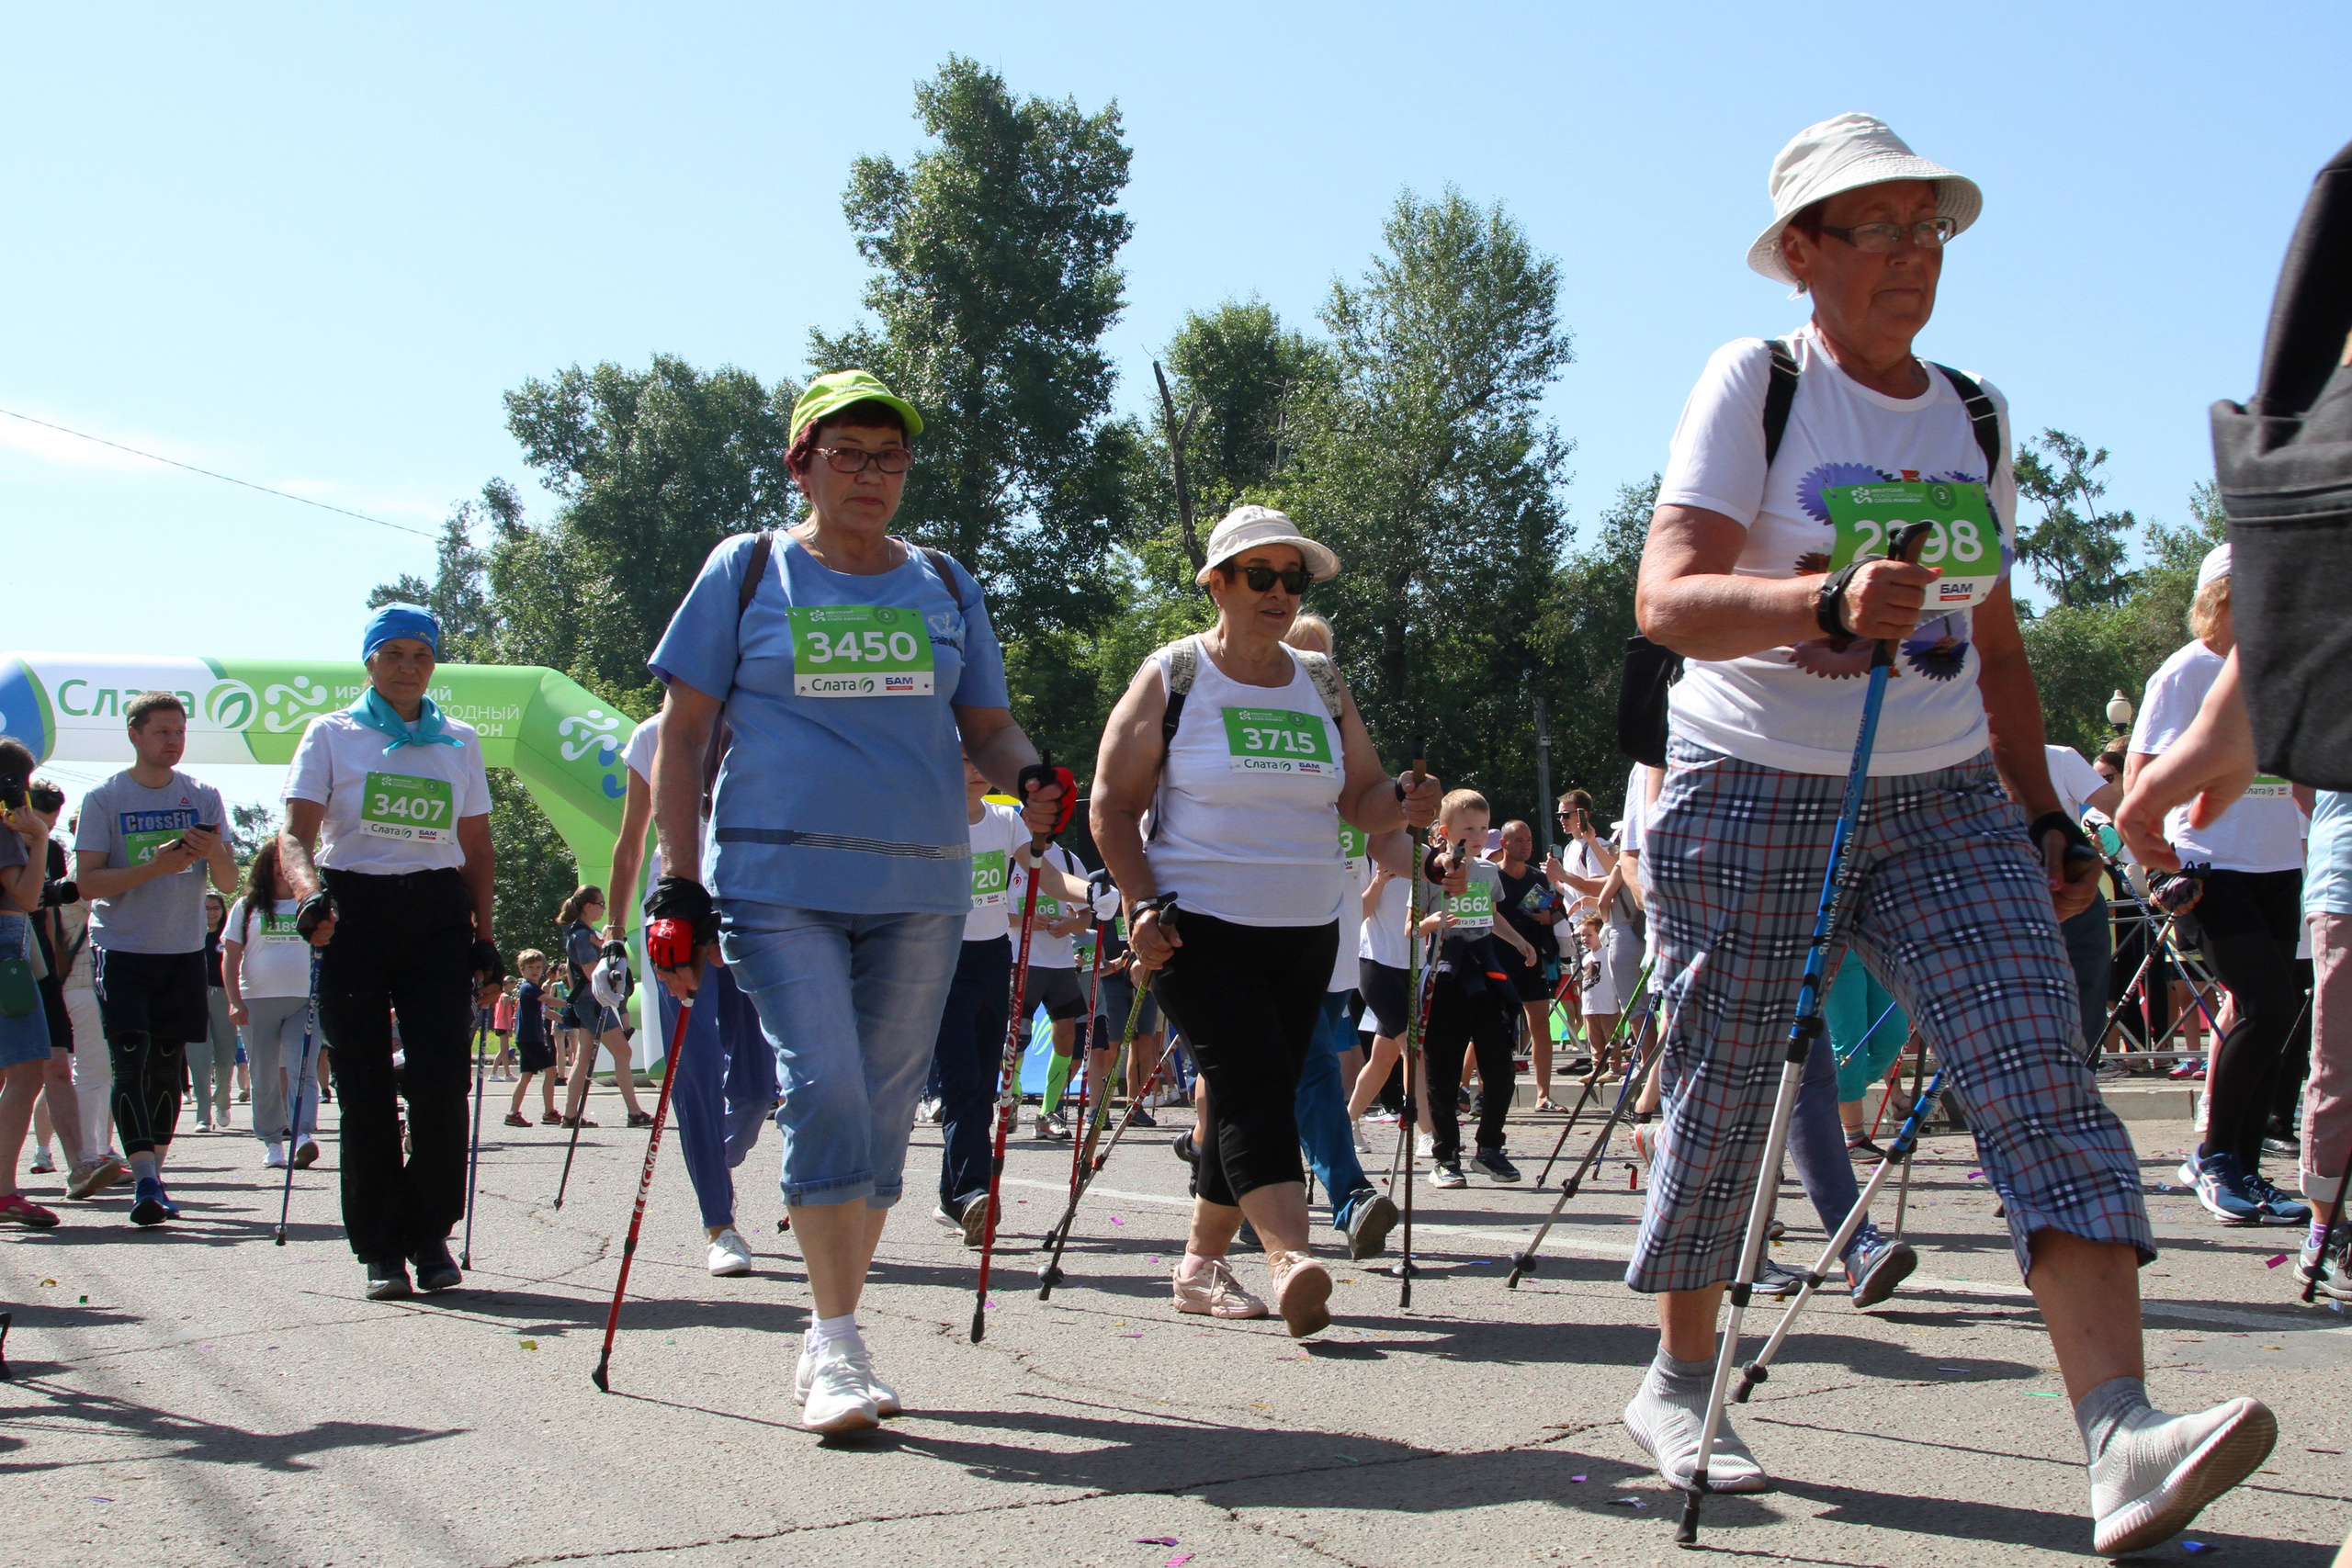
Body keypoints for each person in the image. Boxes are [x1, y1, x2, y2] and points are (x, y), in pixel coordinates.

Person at [1625, 112, 2271, 1555]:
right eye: (1880, 227)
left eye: (1933, 227)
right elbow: (1666, 597)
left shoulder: (1972, 413)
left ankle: (2121, 1433)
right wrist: (1824, 605)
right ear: (1803, 253)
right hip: (1749, 782)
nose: (1917, 254)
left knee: (2036, 1062)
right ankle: (1679, 1376)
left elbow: (1999, 647)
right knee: (1728, 1092)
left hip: (1943, 798)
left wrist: (2046, 808)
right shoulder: (1759, 380)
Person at [643, 368, 1068, 1434]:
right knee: (826, 1084)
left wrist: (1031, 776)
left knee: (880, 1112)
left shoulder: (942, 581)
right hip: (777, 880)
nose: (874, 474)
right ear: (802, 463)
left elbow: (988, 728)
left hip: (920, 883)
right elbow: (683, 738)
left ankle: (834, 1327)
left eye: (891, 456)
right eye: (850, 454)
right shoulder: (748, 572)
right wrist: (676, 879)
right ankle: (836, 1345)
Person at [1090, 503, 1442, 1337]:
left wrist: (1402, 802)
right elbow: (1111, 805)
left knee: (1261, 1082)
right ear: (1216, 583)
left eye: (1294, 578)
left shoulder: (1319, 680)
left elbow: (1361, 797)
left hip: (1306, 928)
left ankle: (1200, 1263)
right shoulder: (1174, 673)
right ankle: (1290, 1254)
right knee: (1252, 1078)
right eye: (1261, 575)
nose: (1280, 592)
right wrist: (1140, 905)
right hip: (1195, 926)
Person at [278, 604, 500, 1300]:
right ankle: (380, 1246)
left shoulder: (459, 740)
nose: (409, 667)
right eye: (395, 653)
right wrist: (310, 893)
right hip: (356, 908)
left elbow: (479, 847)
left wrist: (486, 938)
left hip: (436, 911)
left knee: (441, 1081)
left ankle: (430, 1232)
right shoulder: (332, 735)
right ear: (371, 660)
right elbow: (292, 835)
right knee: (366, 1086)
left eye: (422, 656)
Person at [2128, 545, 2312, 1227]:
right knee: (2265, 1002)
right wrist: (2156, 867)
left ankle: (2247, 1167)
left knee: (2283, 1011)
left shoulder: (2278, 671)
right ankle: (2214, 1157)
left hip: (2279, 863)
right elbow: (2141, 770)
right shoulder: (2185, 671)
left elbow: (2299, 777)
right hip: (2209, 864)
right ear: (2219, 597)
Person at [608, 713, 777, 1277]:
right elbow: (632, 842)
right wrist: (613, 938)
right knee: (696, 1069)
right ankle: (719, 1223)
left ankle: (713, 1158)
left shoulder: (764, 719)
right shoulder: (653, 735)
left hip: (746, 909)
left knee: (757, 1087)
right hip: (677, 918)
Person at [73, 693, 238, 1226]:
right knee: (130, 1060)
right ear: (135, 736)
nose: (173, 741)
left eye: (180, 732)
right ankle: (143, 1176)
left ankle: (154, 1177)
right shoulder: (105, 799)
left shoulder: (204, 796)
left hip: (184, 951)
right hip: (122, 948)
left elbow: (231, 882)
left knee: (167, 1066)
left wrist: (212, 851)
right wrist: (155, 866)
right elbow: (86, 883)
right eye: (162, 731)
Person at [931, 761, 1098, 1244]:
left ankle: (957, 1196)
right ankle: (972, 1192)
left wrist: (1095, 893)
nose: (972, 771)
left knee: (983, 1085)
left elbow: (1044, 875)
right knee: (963, 1082)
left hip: (990, 958)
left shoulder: (1006, 820)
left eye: (979, 761)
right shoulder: (928, 815)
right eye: (959, 760)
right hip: (938, 957)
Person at [1419, 791, 1538, 1188]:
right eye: (1468, 828)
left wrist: (1519, 942)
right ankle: (1445, 1156)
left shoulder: (1488, 872)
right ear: (1445, 831)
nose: (1476, 835)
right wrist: (1435, 920)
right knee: (1444, 1072)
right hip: (1446, 975)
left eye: (1483, 828)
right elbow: (1411, 928)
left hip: (1486, 974)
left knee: (1499, 1068)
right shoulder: (1431, 872)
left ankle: (1489, 1148)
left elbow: (1493, 914)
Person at [223, 838, 323, 1169]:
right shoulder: (246, 906)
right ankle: (272, 1142)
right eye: (275, 863)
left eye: (289, 863)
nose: (283, 870)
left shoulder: (311, 905)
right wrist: (234, 1001)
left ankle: (303, 1136)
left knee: (303, 1070)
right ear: (265, 868)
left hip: (304, 1000)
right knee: (264, 1073)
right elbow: (231, 957)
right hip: (256, 1001)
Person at [23, 778, 100, 1198]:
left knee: (57, 1064)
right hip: (8, 963)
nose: (46, 825)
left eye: (51, 819)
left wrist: (58, 967)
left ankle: (80, 1166)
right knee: (16, 1075)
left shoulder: (51, 849)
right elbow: (27, 896)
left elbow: (46, 910)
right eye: (39, 813)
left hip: (38, 968)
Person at [0, 743, 62, 1226]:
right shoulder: (6, 828)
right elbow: (23, 896)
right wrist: (38, 838)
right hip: (4, 944)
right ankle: (3, 1190)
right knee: (27, 1071)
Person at [1014, 833, 1107, 1141]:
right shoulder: (1010, 855)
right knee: (1017, 1037)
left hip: (1061, 963)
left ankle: (1047, 1112)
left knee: (1067, 1036)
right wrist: (1026, 919)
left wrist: (1070, 925)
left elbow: (1084, 916)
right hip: (1020, 958)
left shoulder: (1069, 860)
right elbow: (989, 909)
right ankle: (1010, 1096)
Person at [554, 886, 650, 1130]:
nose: (603, 908)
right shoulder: (582, 935)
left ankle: (571, 1115)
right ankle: (634, 1112)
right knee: (624, 1053)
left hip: (586, 1002)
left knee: (584, 1057)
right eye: (600, 904)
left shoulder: (579, 933)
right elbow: (591, 973)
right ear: (588, 907)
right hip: (593, 1002)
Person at [1492, 819, 1563, 1108]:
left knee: (1541, 1027)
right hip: (1499, 960)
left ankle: (1543, 1095)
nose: (1526, 845)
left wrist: (1549, 918)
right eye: (1519, 840)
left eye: (1529, 839)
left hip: (1532, 962)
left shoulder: (1538, 877)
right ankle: (1470, 1089)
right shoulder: (1492, 877)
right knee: (1491, 1030)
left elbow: (1555, 913)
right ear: (1504, 844)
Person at [192, 891, 239, 1133]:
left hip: (222, 996)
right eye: (206, 908)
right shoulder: (189, 934)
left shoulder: (227, 935)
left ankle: (222, 1100)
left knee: (225, 1055)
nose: (210, 913)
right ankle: (203, 1114)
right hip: (193, 998)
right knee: (198, 1059)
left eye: (215, 908)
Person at [504, 951, 560, 1127]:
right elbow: (549, 1000)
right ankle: (549, 1112)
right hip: (530, 1038)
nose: (535, 971)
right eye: (530, 967)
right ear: (522, 970)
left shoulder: (533, 990)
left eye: (538, 967)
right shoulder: (529, 988)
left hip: (529, 1037)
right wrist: (572, 1004)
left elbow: (547, 1012)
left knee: (526, 1076)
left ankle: (513, 1113)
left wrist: (567, 1019)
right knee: (551, 1072)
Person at [490, 979, 516, 1082]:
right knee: (503, 1050)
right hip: (503, 1026)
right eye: (512, 985)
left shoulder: (500, 996)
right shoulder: (506, 997)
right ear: (508, 984)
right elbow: (504, 1014)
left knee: (505, 1050)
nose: (513, 988)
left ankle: (508, 1073)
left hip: (499, 1025)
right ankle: (493, 1073)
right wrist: (509, 1027)